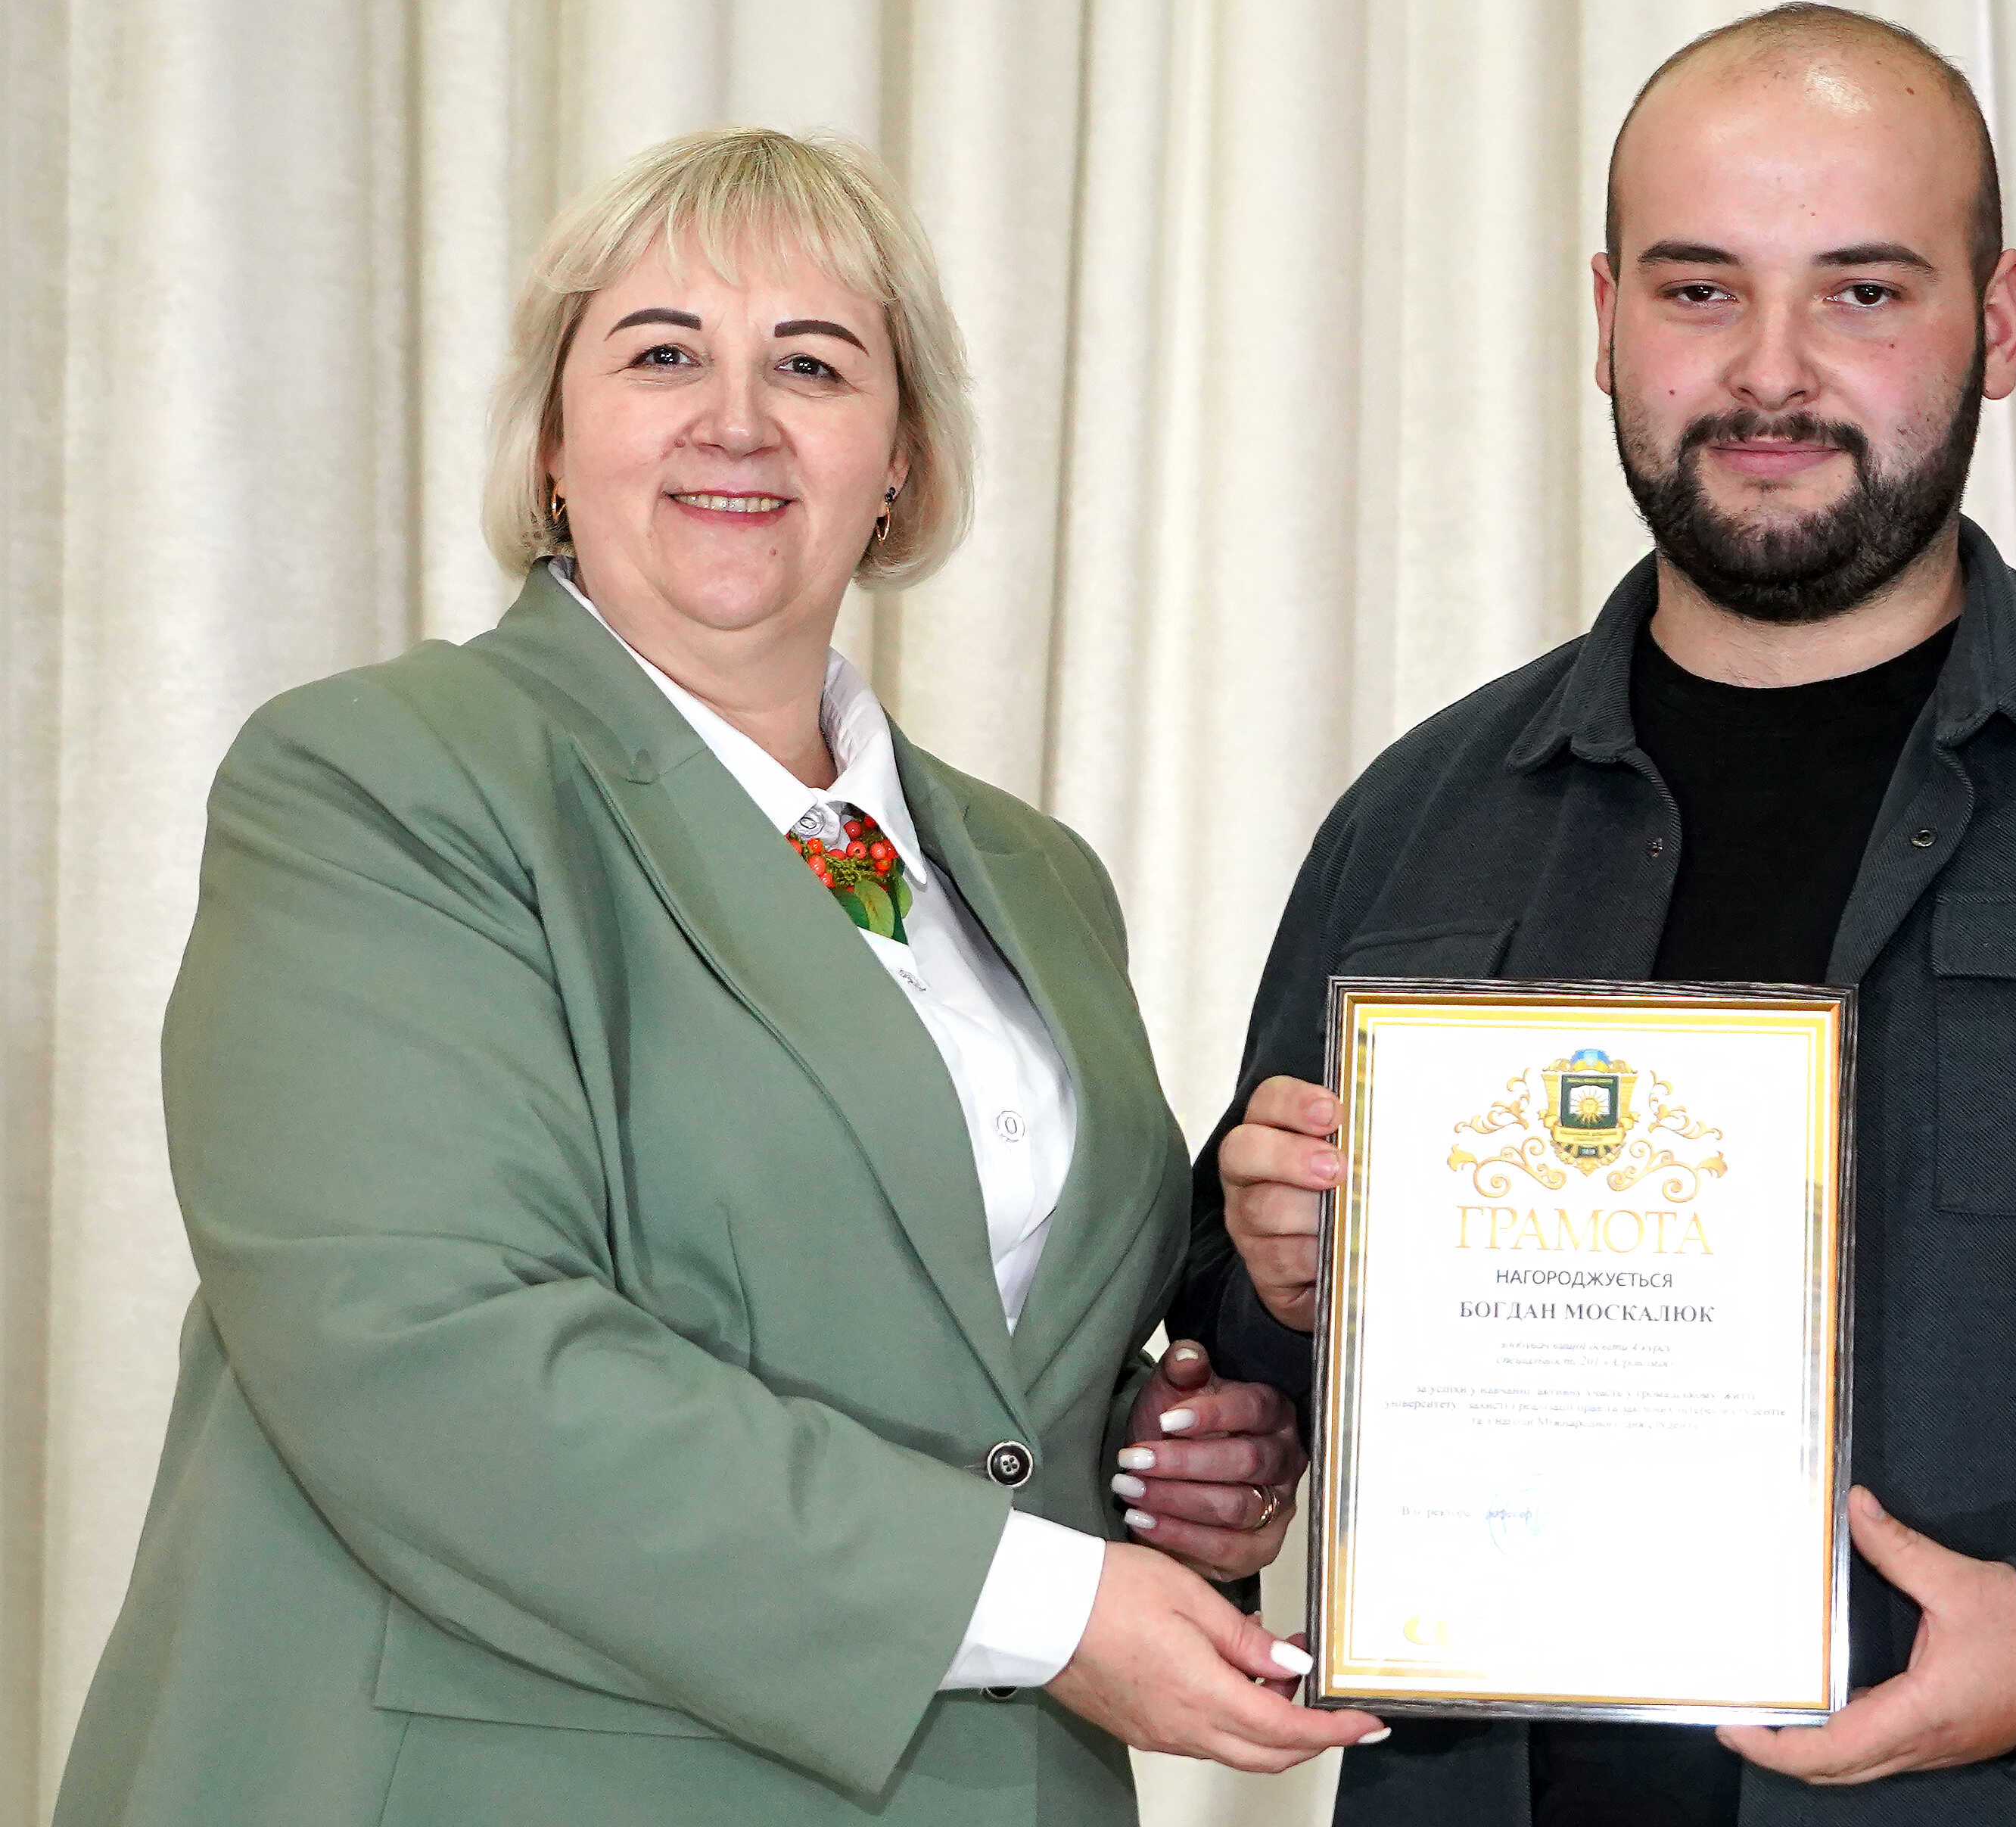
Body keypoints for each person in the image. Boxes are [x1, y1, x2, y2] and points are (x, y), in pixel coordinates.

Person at [1174, 2, 2016, 1827]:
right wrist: (1267, 1297)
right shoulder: (1414, 826)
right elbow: (1236, 1385)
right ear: (1601, 318)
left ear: (1996, 323)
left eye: (1860, 291)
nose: (1770, 373)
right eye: (1697, 290)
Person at [51, 127, 1379, 1827]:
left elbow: (963, 1359)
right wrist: (1052, 1607)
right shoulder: (383, 783)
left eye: (811, 365)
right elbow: (426, 1350)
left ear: (899, 458)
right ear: (554, 439)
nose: (736, 420)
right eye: (663, 354)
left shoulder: (1034, 877)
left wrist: (1165, 1465)